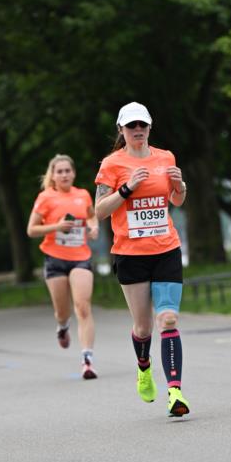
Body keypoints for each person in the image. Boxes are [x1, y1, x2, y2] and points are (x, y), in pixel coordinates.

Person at [94, 101, 190, 417]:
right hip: (131, 254)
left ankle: (175, 392)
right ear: (121, 130)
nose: (138, 131)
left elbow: (175, 200)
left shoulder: (166, 158)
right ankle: (144, 366)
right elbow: (100, 211)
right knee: (143, 326)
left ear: (150, 127)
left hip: (166, 248)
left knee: (169, 319)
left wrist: (180, 186)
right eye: (131, 126)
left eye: (142, 125)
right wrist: (126, 189)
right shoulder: (112, 164)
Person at [27, 154, 99, 378]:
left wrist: (93, 226)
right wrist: (56, 227)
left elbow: (92, 216)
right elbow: (31, 230)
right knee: (62, 311)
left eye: (68, 170)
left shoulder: (83, 195)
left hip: (80, 256)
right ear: (53, 175)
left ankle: (87, 360)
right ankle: (62, 326)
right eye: (60, 171)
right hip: (54, 259)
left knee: (83, 306)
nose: (64, 174)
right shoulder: (45, 198)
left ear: (73, 173)